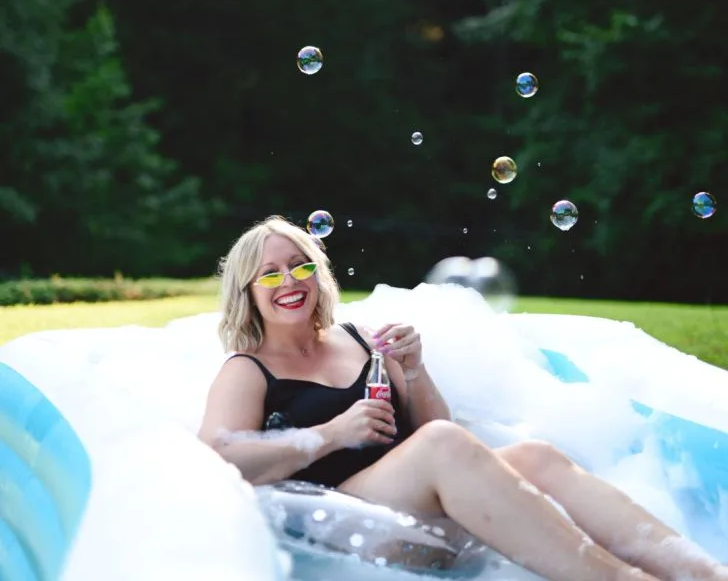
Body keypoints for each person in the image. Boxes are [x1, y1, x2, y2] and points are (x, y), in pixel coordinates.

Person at [198, 215, 727, 581]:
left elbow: (437, 429)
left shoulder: (359, 339)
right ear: (247, 292)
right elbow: (216, 458)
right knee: (444, 446)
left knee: (535, 457)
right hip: (347, 525)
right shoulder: (249, 370)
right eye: (269, 273)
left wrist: (415, 369)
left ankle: (702, 571)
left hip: (424, 509)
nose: (289, 280)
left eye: (301, 265)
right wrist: (330, 435)